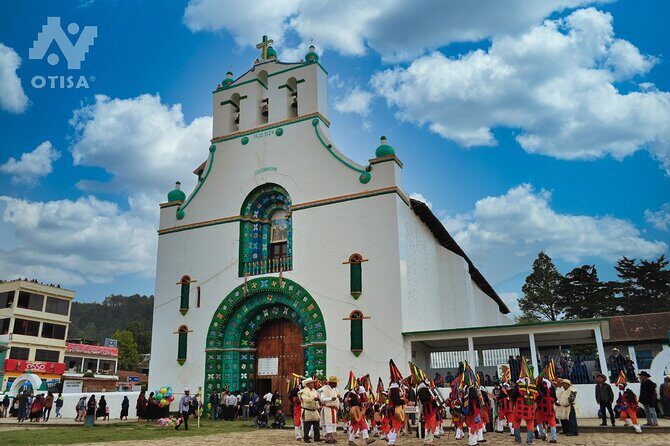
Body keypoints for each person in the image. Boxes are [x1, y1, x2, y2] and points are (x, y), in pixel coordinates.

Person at [511, 378, 536, 445]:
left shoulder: (518, 385)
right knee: (530, 423)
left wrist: (514, 403)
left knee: (516, 422)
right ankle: (529, 440)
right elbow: (539, 395)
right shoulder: (533, 385)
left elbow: (513, 395)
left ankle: (517, 440)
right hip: (530, 407)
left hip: (519, 407)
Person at [318, 376, 341, 444]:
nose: (336, 384)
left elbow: (337, 396)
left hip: (334, 409)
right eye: (335, 383)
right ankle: (328, 437)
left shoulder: (335, 389)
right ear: (331, 383)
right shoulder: (324, 389)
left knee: (333, 423)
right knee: (328, 423)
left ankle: (331, 437)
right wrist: (330, 399)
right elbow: (322, 398)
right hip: (327, 408)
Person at [298, 378, 322, 443]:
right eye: (311, 383)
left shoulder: (315, 391)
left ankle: (317, 437)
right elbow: (305, 399)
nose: (313, 384)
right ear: (307, 384)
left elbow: (318, 398)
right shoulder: (303, 391)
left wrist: (319, 401)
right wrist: (313, 399)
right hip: (307, 410)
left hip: (315, 410)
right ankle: (306, 438)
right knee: (307, 426)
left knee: (316, 425)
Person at [535, 378, 558, 443]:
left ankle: (542, 434)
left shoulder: (538, 387)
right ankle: (554, 437)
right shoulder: (552, 388)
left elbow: (537, 397)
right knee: (552, 422)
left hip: (541, 407)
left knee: (538, 420)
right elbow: (555, 398)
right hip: (550, 407)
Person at [417, 378, 438, 445]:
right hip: (429, 409)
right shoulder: (423, 389)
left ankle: (428, 440)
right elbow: (423, 399)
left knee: (431, 424)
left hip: (431, 409)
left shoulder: (425, 388)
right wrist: (432, 398)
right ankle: (428, 440)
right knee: (430, 424)